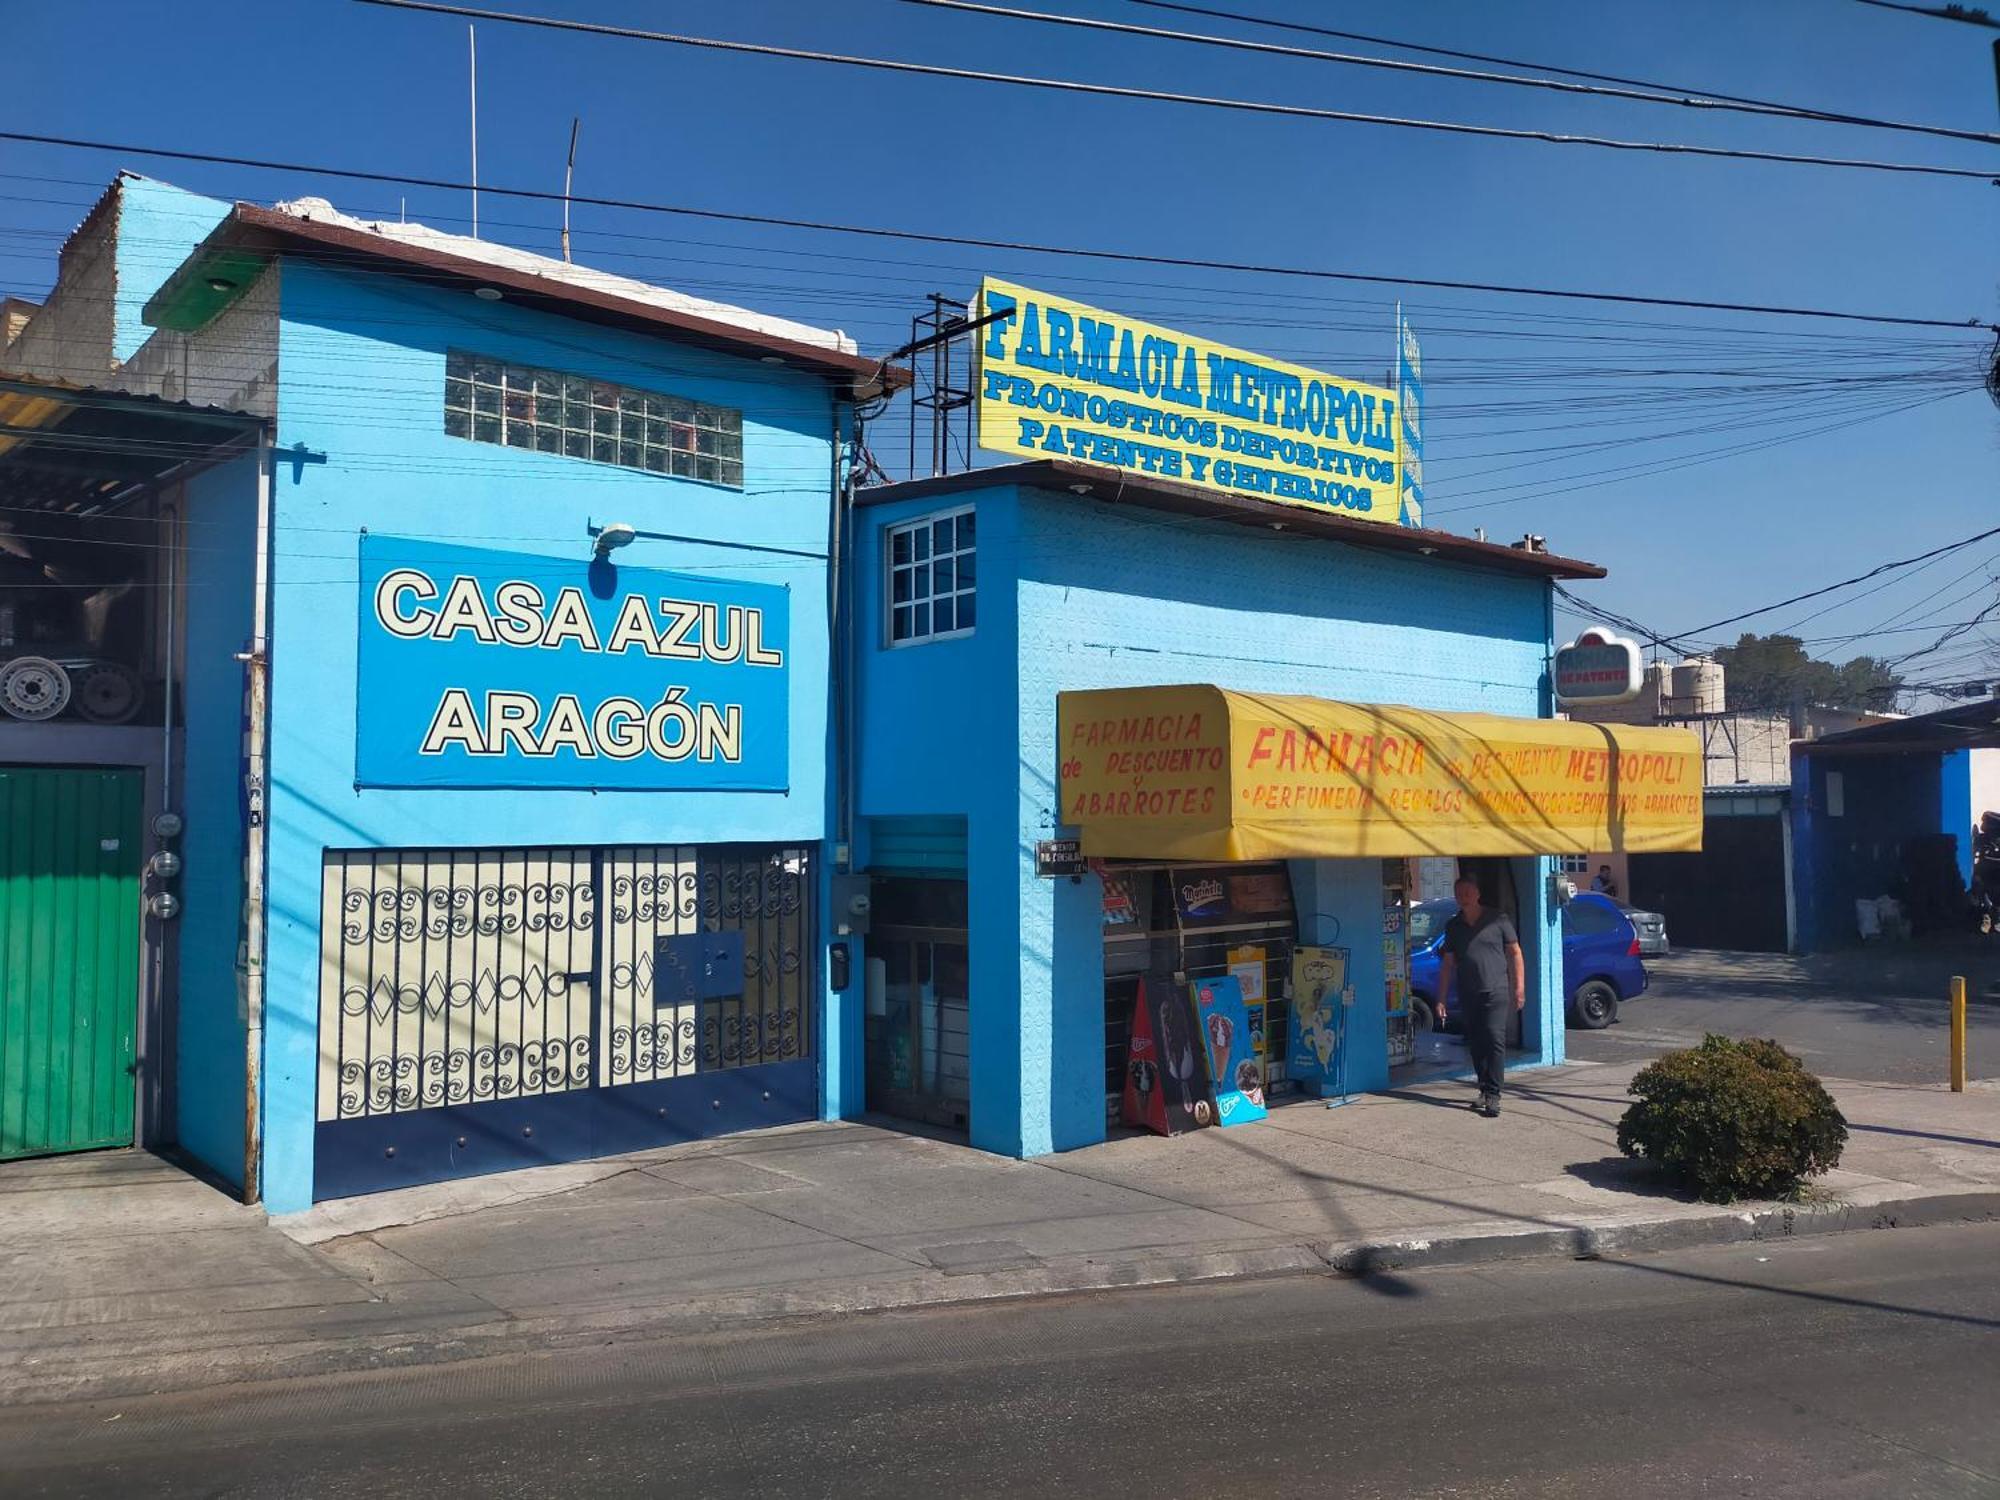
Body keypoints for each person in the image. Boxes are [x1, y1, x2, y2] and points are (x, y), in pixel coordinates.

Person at [1434, 877, 1524, 1118]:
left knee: (1494, 1038)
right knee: (1476, 1043)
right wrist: (1441, 998)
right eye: (1458, 892)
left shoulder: (1497, 919)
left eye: (1467, 891)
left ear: (1477, 894)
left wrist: (1519, 987)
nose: (1463, 896)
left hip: (1496, 990)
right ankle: (1484, 1088)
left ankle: (1494, 1095)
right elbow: (1448, 964)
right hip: (1468, 991)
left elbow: (1515, 952)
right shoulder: (1453, 926)